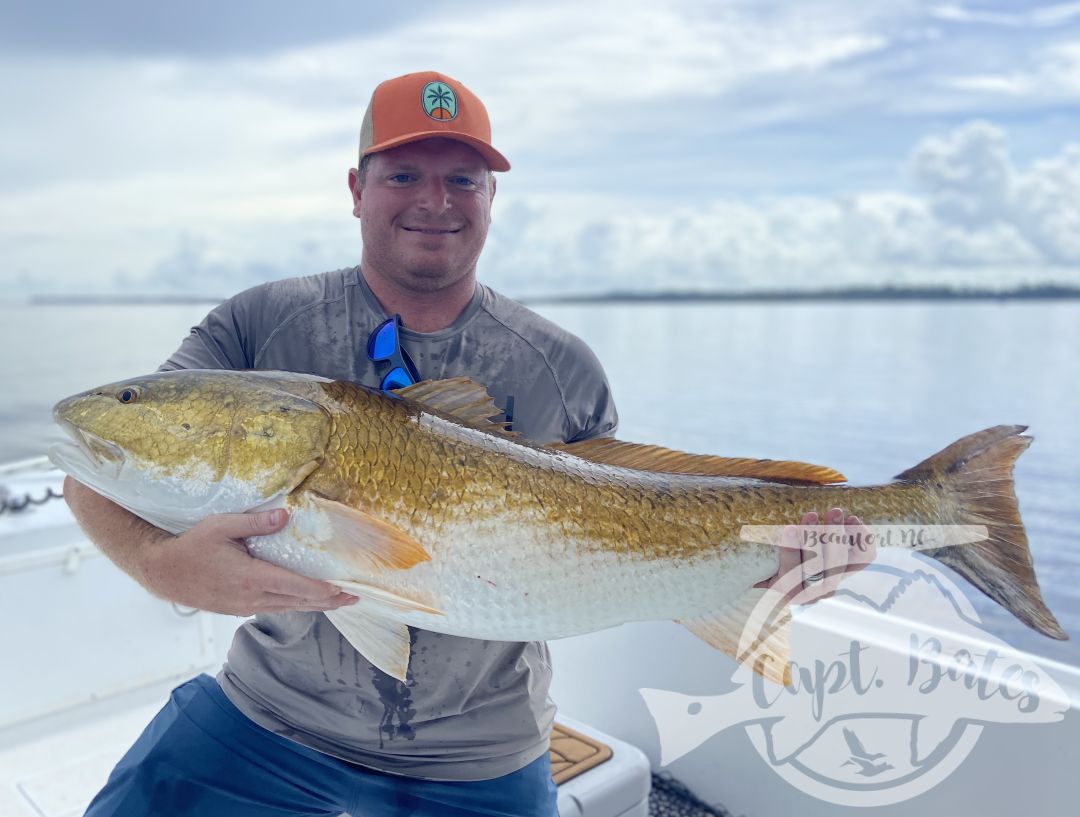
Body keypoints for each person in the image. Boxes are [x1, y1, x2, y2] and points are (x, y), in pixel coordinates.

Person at [63, 70, 872, 817]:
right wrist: (159, 564)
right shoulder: (255, 326)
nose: (435, 200)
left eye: (463, 178)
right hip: (266, 713)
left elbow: (626, 521)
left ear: (491, 197)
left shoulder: (561, 366)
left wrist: (770, 564)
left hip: (482, 752)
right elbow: (85, 470)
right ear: (356, 189)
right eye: (404, 174)